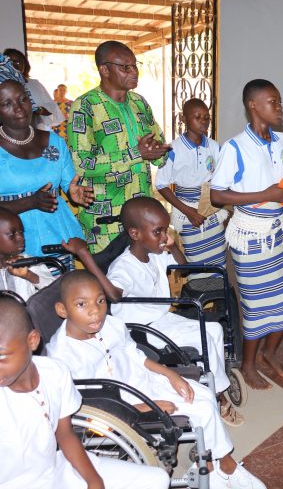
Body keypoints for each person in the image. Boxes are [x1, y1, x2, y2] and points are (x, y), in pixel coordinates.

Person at [47, 271, 266, 489]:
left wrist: (170, 375)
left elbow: (137, 356)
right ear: (62, 310)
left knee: (205, 396)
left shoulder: (112, 325)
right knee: (201, 410)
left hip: (146, 381)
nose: (95, 311)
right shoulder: (61, 356)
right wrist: (143, 408)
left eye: (100, 300)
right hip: (122, 405)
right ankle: (226, 468)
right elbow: (85, 404)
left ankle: (213, 467)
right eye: (82, 304)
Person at [61, 197, 239, 426]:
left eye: (165, 230)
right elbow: (114, 295)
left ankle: (215, 385)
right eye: (158, 232)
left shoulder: (153, 254)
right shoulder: (124, 266)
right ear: (135, 234)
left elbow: (183, 269)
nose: (164, 236)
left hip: (162, 319)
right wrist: (85, 256)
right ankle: (218, 396)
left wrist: (172, 246)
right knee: (207, 334)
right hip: (143, 330)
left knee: (214, 329)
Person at [211, 79, 283, 389]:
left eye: (280, 101)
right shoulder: (235, 148)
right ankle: (247, 364)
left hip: (278, 233)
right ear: (253, 106)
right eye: (273, 102)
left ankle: (268, 355)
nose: (280, 107)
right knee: (257, 306)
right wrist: (266, 194)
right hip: (249, 235)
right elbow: (218, 196)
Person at [0, 297, 170, 489]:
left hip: (57, 469)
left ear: (32, 340)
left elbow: (65, 434)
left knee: (157, 479)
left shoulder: (55, 372)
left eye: (1, 357)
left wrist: (93, 480)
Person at [68, 40, 170, 253]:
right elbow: (82, 164)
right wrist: (136, 153)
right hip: (106, 222)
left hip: (142, 220)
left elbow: (158, 147)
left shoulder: (139, 103)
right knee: (109, 284)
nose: (134, 71)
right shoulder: (85, 106)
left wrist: (157, 152)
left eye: (134, 65)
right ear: (104, 70)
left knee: (142, 282)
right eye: (125, 67)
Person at [0, 74, 93, 263]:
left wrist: (74, 192)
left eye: (22, 99)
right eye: (6, 103)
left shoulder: (55, 142)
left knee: (63, 291)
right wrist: (30, 202)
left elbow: (69, 183)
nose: (18, 108)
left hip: (58, 237)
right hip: (11, 243)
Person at [155, 98, 228, 276]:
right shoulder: (173, 149)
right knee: (195, 259)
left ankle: (218, 295)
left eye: (207, 117)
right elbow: (162, 184)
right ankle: (199, 296)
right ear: (184, 118)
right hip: (187, 212)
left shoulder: (214, 147)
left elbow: (221, 179)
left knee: (218, 258)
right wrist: (188, 211)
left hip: (210, 211)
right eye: (198, 117)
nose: (204, 122)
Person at [3, 48, 65, 132]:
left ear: (25, 65)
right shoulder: (1, 87)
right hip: (10, 135)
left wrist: (39, 110)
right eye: (10, 62)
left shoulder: (35, 84)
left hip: (39, 133)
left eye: (18, 62)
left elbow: (52, 108)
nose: (15, 65)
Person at [0, 208, 56, 301]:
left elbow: (56, 291)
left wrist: (29, 275)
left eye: (21, 232)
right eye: (12, 234)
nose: (20, 238)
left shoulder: (29, 261)